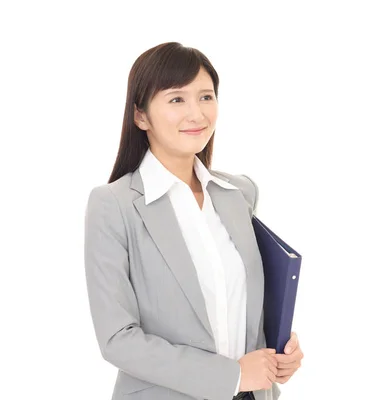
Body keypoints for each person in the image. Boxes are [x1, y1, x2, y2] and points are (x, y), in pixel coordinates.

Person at [83, 42, 303, 400]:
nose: (197, 114)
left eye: (205, 97)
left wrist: (279, 354)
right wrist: (231, 376)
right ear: (140, 116)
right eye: (176, 100)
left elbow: (246, 308)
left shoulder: (238, 194)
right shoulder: (113, 206)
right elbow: (117, 339)